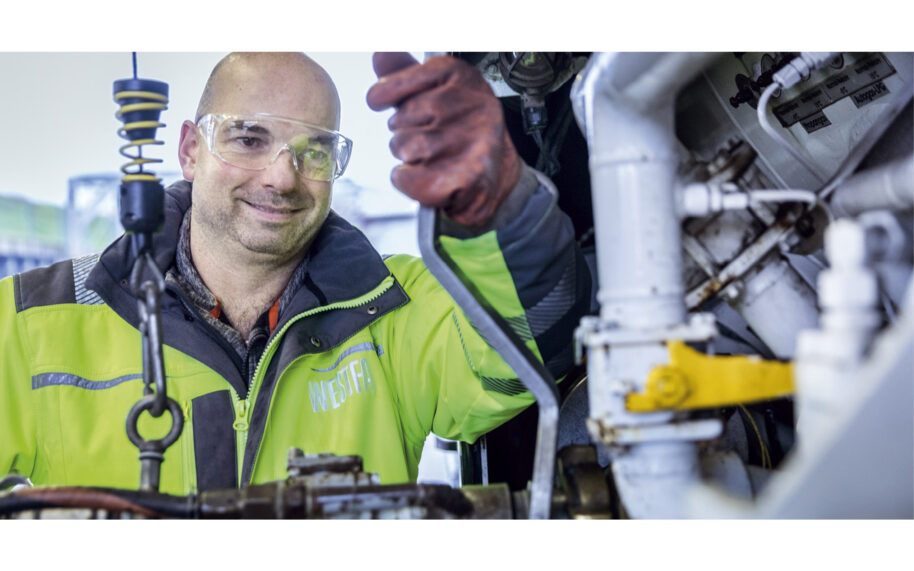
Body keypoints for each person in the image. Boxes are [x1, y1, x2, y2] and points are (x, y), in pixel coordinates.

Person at [0, 52, 590, 494]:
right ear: (189, 150)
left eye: (314, 151)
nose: (282, 178)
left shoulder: (394, 308)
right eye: (249, 138)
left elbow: (529, 352)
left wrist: (506, 210)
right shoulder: (32, 321)